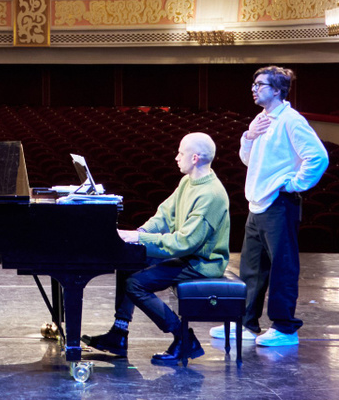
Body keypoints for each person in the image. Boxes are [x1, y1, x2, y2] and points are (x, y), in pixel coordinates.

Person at [82, 132, 231, 366]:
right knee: (128, 259)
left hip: (201, 263)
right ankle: (119, 333)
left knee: (136, 284)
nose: (176, 157)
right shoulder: (188, 181)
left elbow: (185, 243)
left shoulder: (211, 195)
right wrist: (139, 234)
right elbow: (164, 215)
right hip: (186, 256)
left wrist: (141, 239)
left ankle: (184, 337)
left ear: (195, 158)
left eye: (181, 153)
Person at [215, 65, 328, 348]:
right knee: (251, 269)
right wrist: (249, 136)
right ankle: (246, 323)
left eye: (260, 84)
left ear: (277, 90)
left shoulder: (291, 120)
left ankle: (285, 327)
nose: (254, 89)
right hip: (257, 203)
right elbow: (248, 160)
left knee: (282, 268)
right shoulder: (261, 119)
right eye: (254, 84)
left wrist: (292, 184)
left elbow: (318, 157)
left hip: (278, 203)